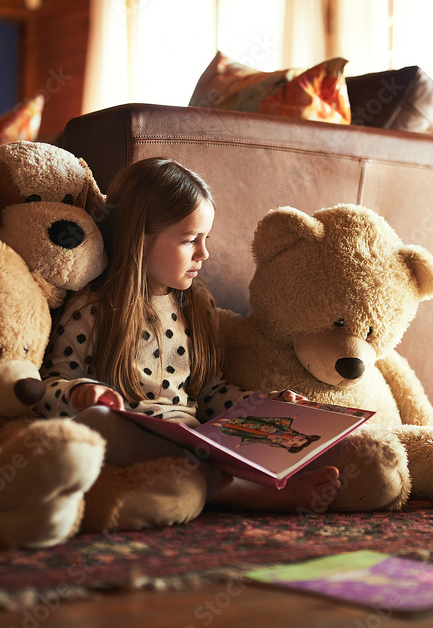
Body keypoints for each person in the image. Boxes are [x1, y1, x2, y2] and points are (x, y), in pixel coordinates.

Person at [37, 157, 341, 524]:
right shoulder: (94, 307)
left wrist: (261, 405)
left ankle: (219, 484)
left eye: (205, 239)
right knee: (99, 422)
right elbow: (48, 386)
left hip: (196, 438)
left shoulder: (196, 304)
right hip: (132, 436)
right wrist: (77, 392)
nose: (204, 253)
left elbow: (209, 392)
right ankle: (251, 495)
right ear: (140, 238)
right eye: (188, 240)